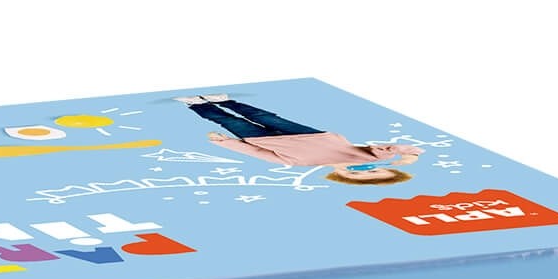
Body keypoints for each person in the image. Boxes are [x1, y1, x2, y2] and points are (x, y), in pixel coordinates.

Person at [176, 93, 419, 173]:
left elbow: (259, 154)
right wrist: (406, 154)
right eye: (371, 172)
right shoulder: (368, 157)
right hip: (313, 136)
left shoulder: (300, 163)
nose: (359, 171)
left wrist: (226, 143)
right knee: (265, 116)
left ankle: (197, 105)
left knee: (226, 122)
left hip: (263, 141)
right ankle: (226, 100)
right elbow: (387, 150)